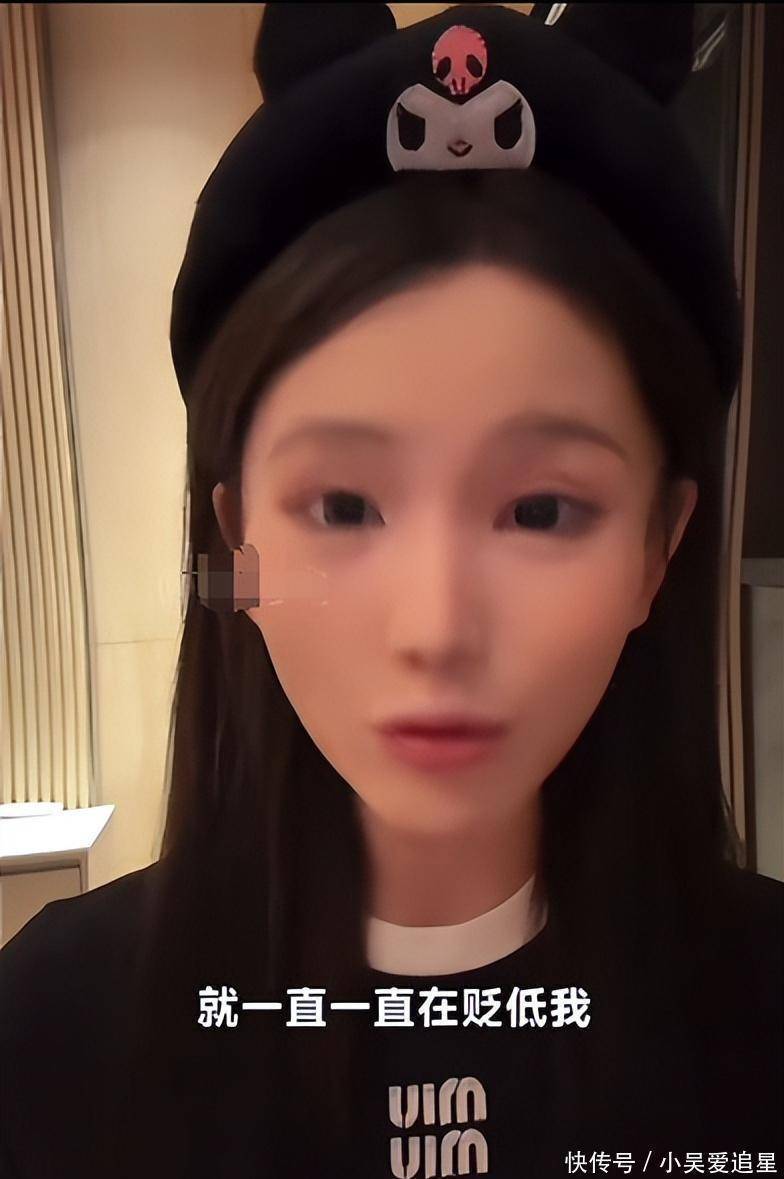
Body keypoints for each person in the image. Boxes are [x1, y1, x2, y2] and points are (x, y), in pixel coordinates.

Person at [1, 5, 781, 1179]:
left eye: (540, 511)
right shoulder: (51, 1031)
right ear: (237, 540)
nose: (435, 628)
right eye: (344, 506)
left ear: (656, 549)